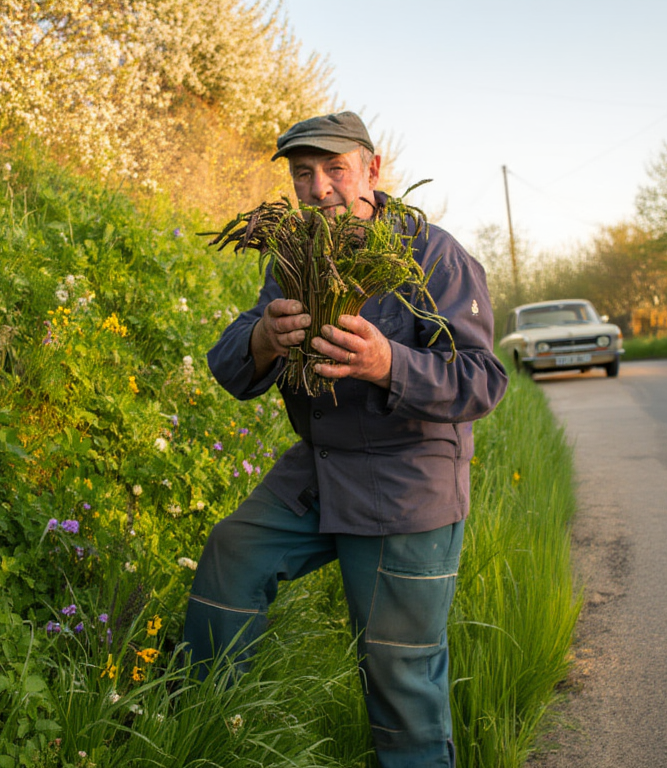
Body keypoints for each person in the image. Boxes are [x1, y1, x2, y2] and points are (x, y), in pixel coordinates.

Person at [183, 111, 508, 767]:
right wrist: (263, 339)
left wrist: (389, 363)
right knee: (233, 552)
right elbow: (227, 363)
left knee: (397, 672)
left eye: (334, 168)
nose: (320, 186)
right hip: (322, 465)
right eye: (304, 174)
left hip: (407, 479)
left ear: (371, 170)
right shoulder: (296, 255)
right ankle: (207, 730)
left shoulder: (433, 254)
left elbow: (483, 380)